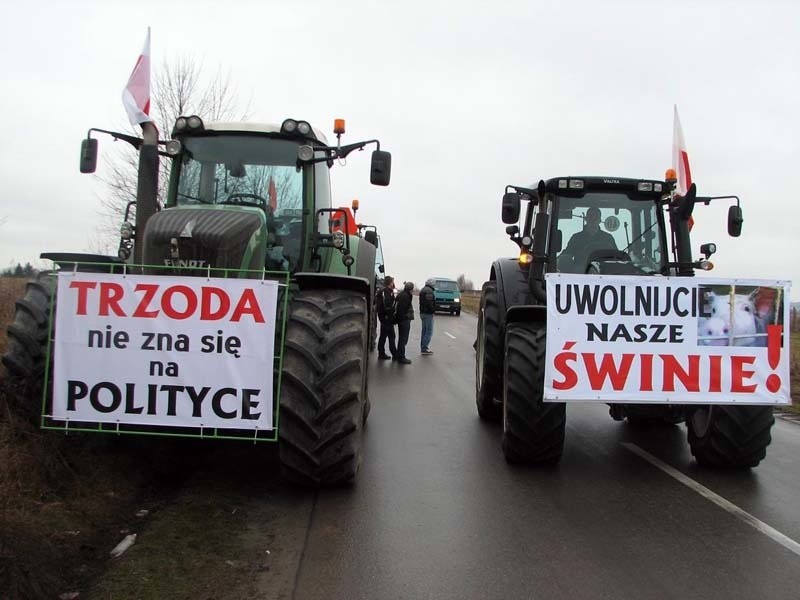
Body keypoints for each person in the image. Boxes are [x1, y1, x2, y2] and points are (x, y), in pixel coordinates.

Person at [560, 206, 618, 272]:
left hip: (604, 273)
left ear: (599, 220)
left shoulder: (608, 238)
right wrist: (558, 259)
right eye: (590, 217)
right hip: (580, 275)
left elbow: (616, 257)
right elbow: (567, 254)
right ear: (586, 219)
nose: (593, 221)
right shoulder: (576, 238)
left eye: (595, 218)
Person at [376, 276, 397, 360]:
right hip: (387, 318)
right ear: (390, 283)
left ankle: (381, 353)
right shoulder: (386, 291)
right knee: (391, 336)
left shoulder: (385, 291)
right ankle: (394, 354)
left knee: (383, 336)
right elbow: (387, 305)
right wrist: (390, 315)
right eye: (392, 282)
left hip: (384, 317)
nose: (393, 284)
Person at [394, 281, 415, 364]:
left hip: (402, 320)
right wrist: (404, 318)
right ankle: (401, 357)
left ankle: (399, 355)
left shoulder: (402, 294)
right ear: (411, 289)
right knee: (403, 339)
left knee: (402, 339)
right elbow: (401, 309)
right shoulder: (405, 296)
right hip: (403, 320)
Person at [419, 278, 436, 355]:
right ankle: (425, 348)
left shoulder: (423, 289)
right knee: (429, 331)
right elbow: (429, 303)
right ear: (431, 284)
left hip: (422, 313)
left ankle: (423, 346)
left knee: (424, 330)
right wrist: (433, 311)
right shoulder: (429, 291)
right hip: (427, 313)